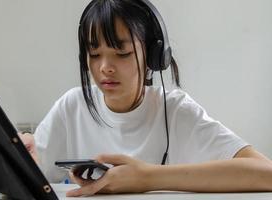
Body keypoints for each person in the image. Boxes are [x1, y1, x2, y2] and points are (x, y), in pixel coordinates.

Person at [20, 0, 272, 197]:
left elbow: (267, 174)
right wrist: (20, 159)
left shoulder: (175, 111)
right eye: (94, 53)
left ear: (153, 56)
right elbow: (30, 178)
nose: (105, 67)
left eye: (122, 53)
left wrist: (148, 177)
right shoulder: (71, 106)